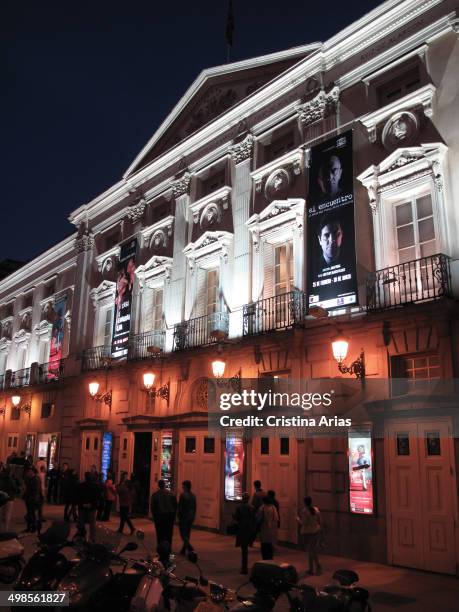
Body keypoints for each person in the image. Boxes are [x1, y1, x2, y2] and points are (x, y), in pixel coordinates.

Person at [297, 496, 322, 575]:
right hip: (316, 531)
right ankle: (313, 568)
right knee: (313, 550)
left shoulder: (305, 511)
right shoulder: (316, 509)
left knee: (311, 551)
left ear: (304, 502)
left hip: (308, 532)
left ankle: (315, 566)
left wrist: (298, 519)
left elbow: (304, 523)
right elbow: (320, 520)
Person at [150, 480, 177, 554]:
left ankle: (160, 548)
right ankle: (168, 548)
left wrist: (154, 516)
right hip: (169, 516)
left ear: (159, 485)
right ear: (164, 485)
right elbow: (175, 505)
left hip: (159, 516)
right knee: (168, 533)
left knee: (160, 533)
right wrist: (173, 516)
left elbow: (153, 507)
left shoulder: (155, 495)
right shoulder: (171, 494)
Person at [234, 492, 256, 574]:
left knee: (244, 549)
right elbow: (254, 518)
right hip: (249, 528)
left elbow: (237, 518)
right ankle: (245, 567)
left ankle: (244, 567)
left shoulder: (239, 507)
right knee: (246, 548)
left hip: (242, 528)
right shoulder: (252, 508)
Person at [75, 472, 100, 542]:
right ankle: (92, 539)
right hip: (92, 507)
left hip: (82, 507)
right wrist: (91, 504)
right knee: (92, 523)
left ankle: (81, 537)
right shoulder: (96, 486)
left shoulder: (80, 485)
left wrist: (82, 503)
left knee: (81, 523)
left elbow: (78, 496)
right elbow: (97, 497)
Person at [256, 496, 279, 560]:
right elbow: (276, 518)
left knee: (264, 545)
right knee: (270, 544)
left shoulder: (262, 508)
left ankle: (265, 558)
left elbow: (258, 519)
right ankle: (270, 558)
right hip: (272, 529)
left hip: (264, 528)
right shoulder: (273, 507)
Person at [177, 480, 196, 554]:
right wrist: (193, 516)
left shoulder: (183, 495)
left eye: (183, 486)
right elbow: (194, 507)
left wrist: (178, 514)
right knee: (187, 533)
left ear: (186, 487)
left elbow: (180, 506)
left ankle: (189, 547)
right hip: (190, 516)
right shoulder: (193, 496)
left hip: (184, 516)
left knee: (182, 534)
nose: (182, 487)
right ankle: (183, 550)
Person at [0, 465, 21, 531]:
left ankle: (0, 528)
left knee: (0, 514)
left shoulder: (1, 478)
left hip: (1, 498)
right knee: (8, 514)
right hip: (10, 498)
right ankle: (6, 529)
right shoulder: (10, 479)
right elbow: (16, 489)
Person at [23, 466, 43, 533]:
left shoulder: (36, 479)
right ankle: (29, 527)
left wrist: (33, 500)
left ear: (33, 472)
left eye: (29, 472)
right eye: (28, 472)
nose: (28, 473)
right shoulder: (30, 479)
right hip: (30, 499)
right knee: (30, 514)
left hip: (33, 500)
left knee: (33, 514)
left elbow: (36, 491)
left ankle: (33, 528)